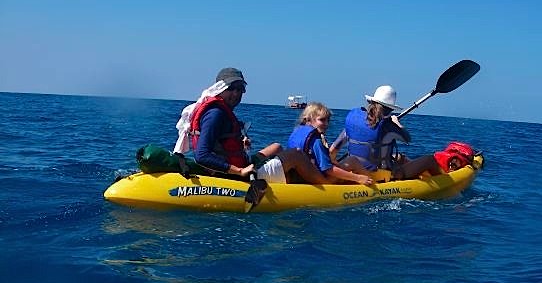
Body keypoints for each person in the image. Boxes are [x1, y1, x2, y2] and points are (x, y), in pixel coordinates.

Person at [173, 67, 328, 184]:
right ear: (220, 89)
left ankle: (292, 179)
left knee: (276, 147)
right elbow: (201, 155)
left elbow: (219, 144)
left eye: (240, 89)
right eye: (231, 88)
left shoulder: (220, 111)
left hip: (240, 165)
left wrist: (239, 146)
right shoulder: (216, 114)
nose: (236, 93)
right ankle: (328, 187)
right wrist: (239, 171)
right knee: (296, 154)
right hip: (234, 175)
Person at [329, 85, 441, 180]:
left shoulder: (353, 120)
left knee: (400, 158)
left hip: (355, 170)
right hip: (382, 176)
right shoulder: (388, 126)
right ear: (389, 109)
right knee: (430, 159)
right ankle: (443, 181)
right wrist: (397, 123)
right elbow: (407, 139)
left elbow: (333, 150)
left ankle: (421, 176)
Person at [287, 102, 373, 185]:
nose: (326, 124)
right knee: (352, 161)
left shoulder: (297, 132)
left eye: (328, 120)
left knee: (341, 163)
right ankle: (373, 185)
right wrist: (357, 178)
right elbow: (329, 170)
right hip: (321, 181)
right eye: (322, 120)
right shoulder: (317, 141)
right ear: (308, 120)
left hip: (301, 177)